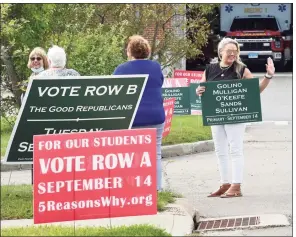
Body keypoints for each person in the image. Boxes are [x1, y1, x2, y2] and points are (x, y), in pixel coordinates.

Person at [196, 37, 275, 198]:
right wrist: (199, 91)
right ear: (220, 52)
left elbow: (255, 90)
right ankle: (225, 184)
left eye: (235, 51)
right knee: (220, 150)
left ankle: (236, 185)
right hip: (216, 115)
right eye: (229, 51)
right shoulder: (210, 69)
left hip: (236, 115)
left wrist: (268, 76)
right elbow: (201, 87)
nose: (232, 54)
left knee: (235, 149)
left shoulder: (241, 69)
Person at [113, 35, 165, 191]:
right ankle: (157, 189)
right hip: (155, 115)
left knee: (130, 155)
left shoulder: (121, 69)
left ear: (129, 51)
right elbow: (160, 82)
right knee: (155, 153)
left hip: (131, 117)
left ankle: (133, 189)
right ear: (147, 51)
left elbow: (115, 91)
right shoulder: (156, 67)